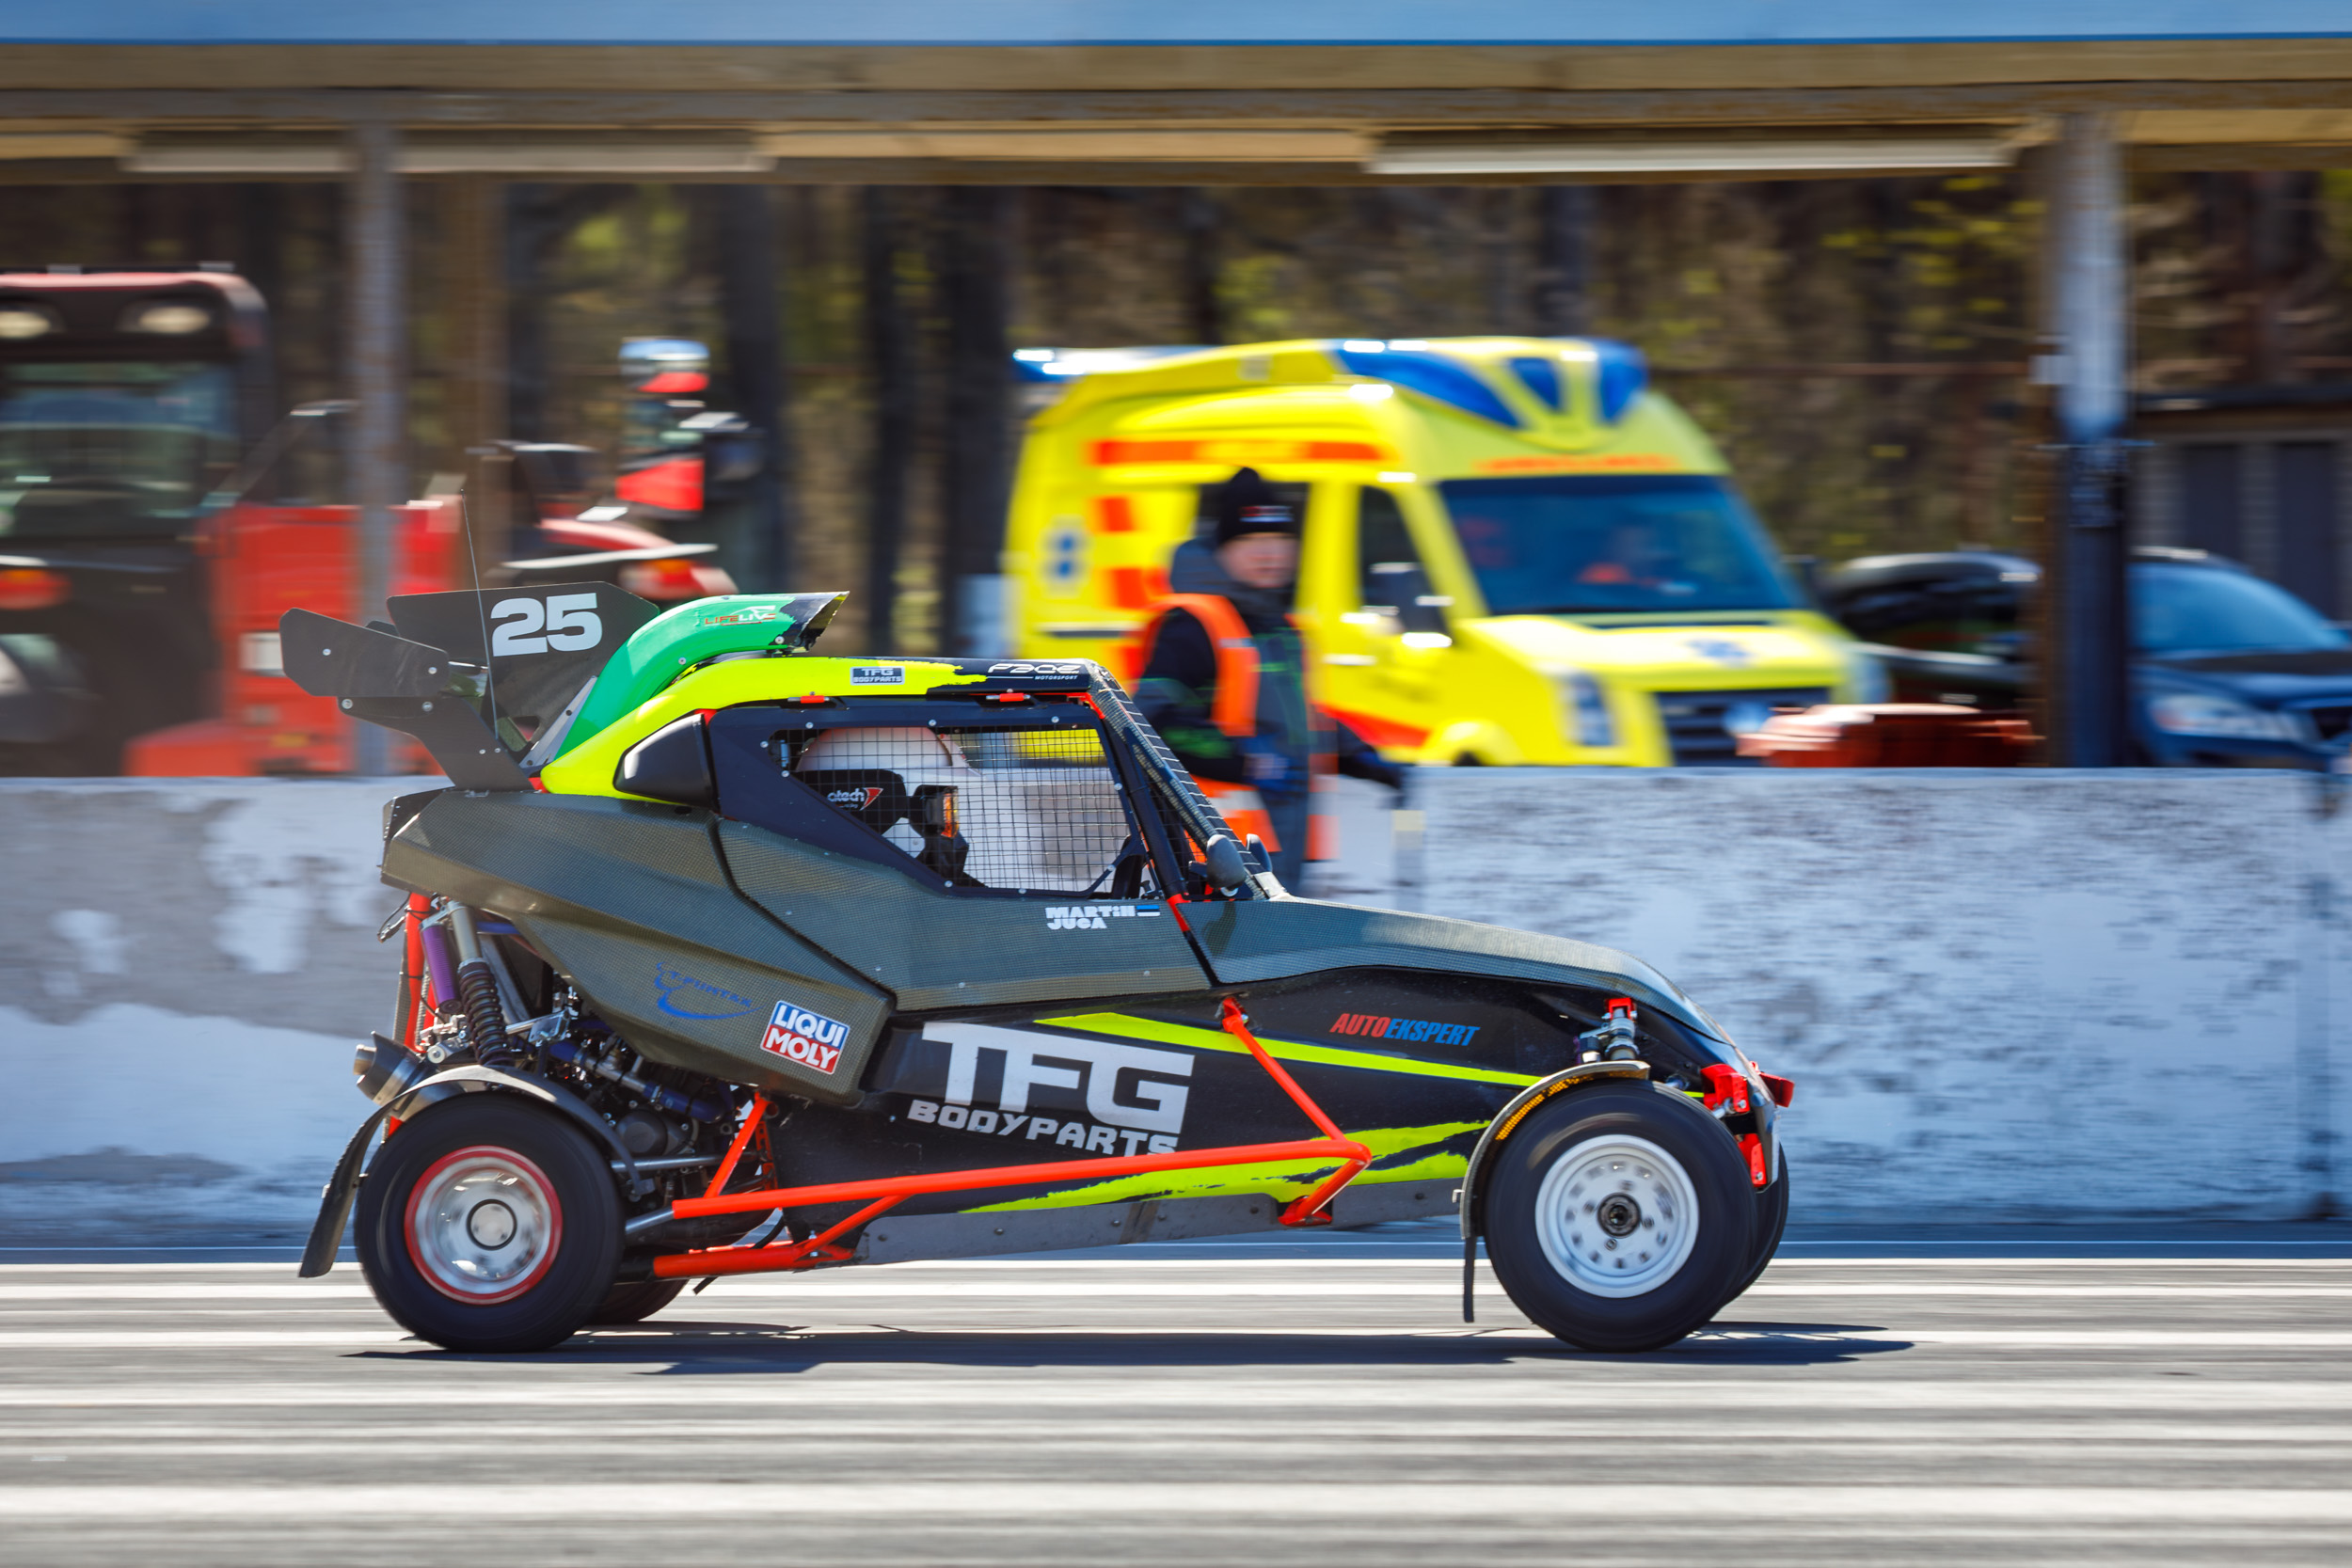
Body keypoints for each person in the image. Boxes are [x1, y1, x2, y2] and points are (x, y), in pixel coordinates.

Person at [1135, 467, 1404, 886]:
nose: (1269, 553)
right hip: (1206, 859)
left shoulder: (1282, 629)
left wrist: (1359, 757)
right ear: (1222, 549)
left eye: (1280, 539)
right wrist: (1245, 762)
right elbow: (1153, 724)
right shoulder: (1193, 624)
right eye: (1251, 541)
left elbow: (1295, 724)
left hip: (1277, 854)